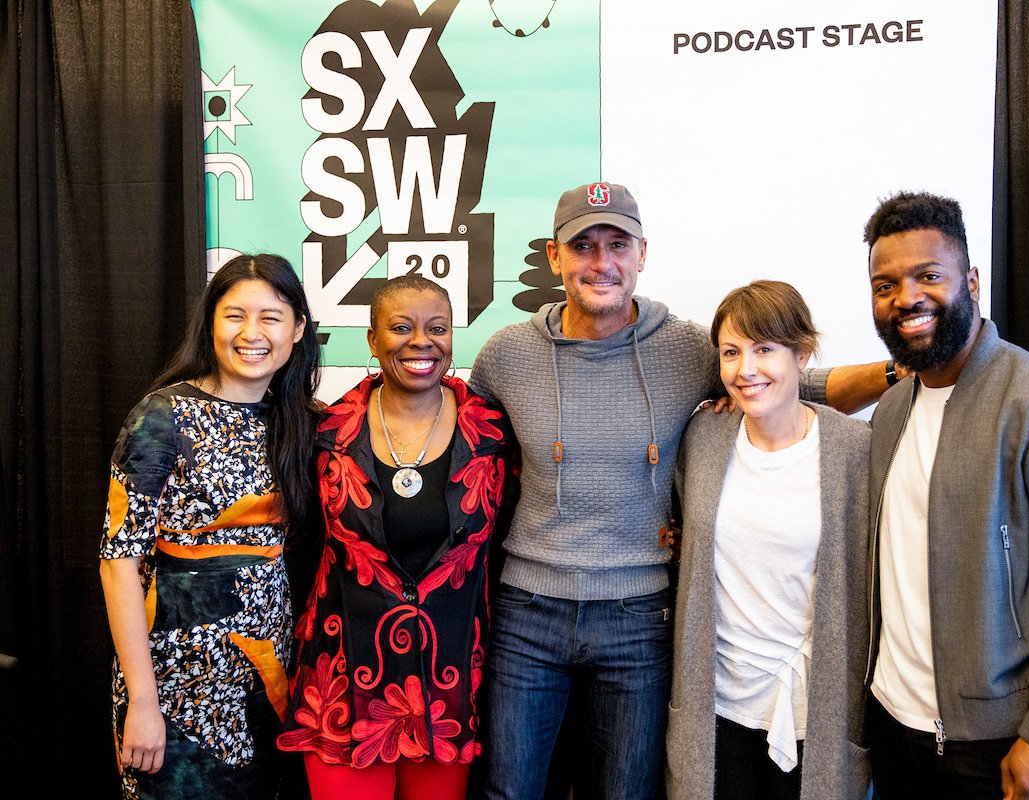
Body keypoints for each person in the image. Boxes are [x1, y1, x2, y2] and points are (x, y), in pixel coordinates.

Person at [469, 182, 894, 799]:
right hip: (527, 610)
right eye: (583, 246)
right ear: (554, 257)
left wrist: (902, 369)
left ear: (642, 253)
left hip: (639, 616)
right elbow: (464, 444)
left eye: (618, 245)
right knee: (508, 790)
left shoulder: (688, 347)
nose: (601, 263)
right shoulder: (507, 355)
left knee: (628, 792)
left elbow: (795, 383)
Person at [861, 191, 1029, 800]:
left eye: (928, 276)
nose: (906, 298)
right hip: (893, 730)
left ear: (972, 282)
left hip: (1004, 744)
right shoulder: (890, 413)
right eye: (885, 285)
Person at [278, 275, 514, 800]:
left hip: (447, 687)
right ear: (372, 338)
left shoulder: (495, 435)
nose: (421, 342)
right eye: (401, 328)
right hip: (342, 685)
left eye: (438, 328)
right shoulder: (324, 433)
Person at [99, 254, 321, 799]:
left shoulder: (298, 420)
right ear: (211, 323)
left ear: (297, 329)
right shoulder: (163, 415)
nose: (252, 333)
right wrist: (143, 702)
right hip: (172, 681)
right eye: (235, 315)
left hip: (265, 677)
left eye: (271, 317)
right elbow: (118, 563)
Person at [666, 280, 872, 800]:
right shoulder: (704, 437)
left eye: (764, 350)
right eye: (731, 352)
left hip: (811, 712)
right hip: (717, 707)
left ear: (802, 354)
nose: (745, 369)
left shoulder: (855, 449)